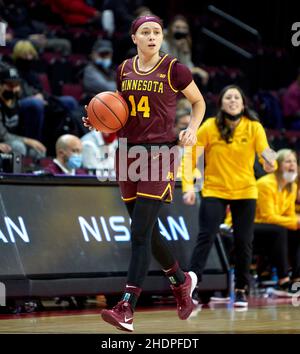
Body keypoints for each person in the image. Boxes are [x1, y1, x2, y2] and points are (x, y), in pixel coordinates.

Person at [83, 14, 206, 332]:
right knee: (147, 234)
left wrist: (191, 129)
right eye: (146, 32)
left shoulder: (174, 68)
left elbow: (199, 102)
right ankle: (181, 282)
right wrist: (99, 120)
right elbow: (118, 110)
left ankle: (126, 307)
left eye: (157, 32)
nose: (152, 36)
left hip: (159, 154)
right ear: (134, 37)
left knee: (139, 235)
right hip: (127, 153)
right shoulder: (123, 69)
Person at [181, 85, 276, 307]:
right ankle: (192, 288)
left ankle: (241, 289)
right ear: (221, 103)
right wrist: (187, 187)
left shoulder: (254, 127)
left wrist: (272, 161)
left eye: (236, 98)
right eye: (228, 97)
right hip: (214, 190)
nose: (232, 101)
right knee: (206, 237)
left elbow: (266, 152)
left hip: (245, 191)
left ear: (243, 103)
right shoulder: (208, 127)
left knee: (244, 242)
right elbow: (189, 157)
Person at [254, 149, 300, 296]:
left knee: (293, 231)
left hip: (275, 227)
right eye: (288, 161)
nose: (292, 165)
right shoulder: (265, 184)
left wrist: (295, 222)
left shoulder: (292, 186)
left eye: (294, 161)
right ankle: (283, 281)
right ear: (278, 165)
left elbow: (289, 215)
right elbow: (268, 216)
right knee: (279, 230)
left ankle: (297, 280)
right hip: (251, 225)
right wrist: (295, 221)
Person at [0, 63, 46, 158]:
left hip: (15, 139)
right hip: (3, 141)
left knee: (38, 150)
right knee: (18, 147)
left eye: (16, 85)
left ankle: (32, 171)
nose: (13, 89)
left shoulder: (17, 99)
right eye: (9, 85)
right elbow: (3, 135)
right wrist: (28, 141)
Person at [161, 15, 209, 88]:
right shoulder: (162, 43)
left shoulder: (185, 43)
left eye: (184, 28)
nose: (181, 31)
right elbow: (169, 66)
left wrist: (183, 50)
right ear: (170, 28)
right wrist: (196, 70)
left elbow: (186, 65)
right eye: (177, 27)